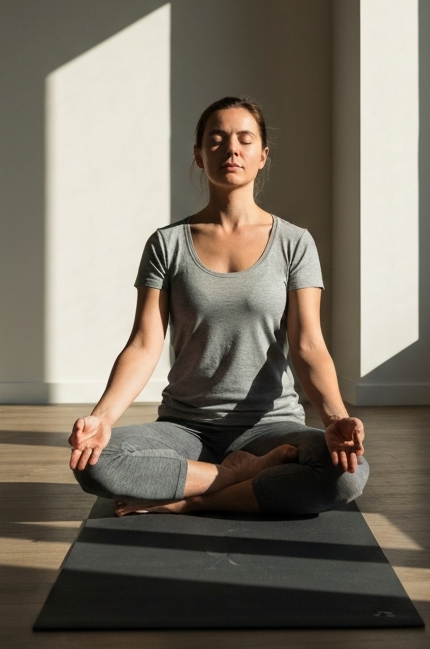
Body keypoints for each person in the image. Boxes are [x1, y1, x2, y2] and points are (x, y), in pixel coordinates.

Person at [69, 96, 368, 517]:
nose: (231, 149)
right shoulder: (167, 243)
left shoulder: (294, 243)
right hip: (186, 427)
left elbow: (309, 346)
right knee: (94, 462)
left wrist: (336, 419)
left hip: (271, 427)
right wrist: (101, 419)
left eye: (245, 140)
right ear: (199, 154)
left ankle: (189, 500)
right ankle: (234, 477)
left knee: (348, 475)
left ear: (262, 155)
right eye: (217, 139)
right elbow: (143, 344)